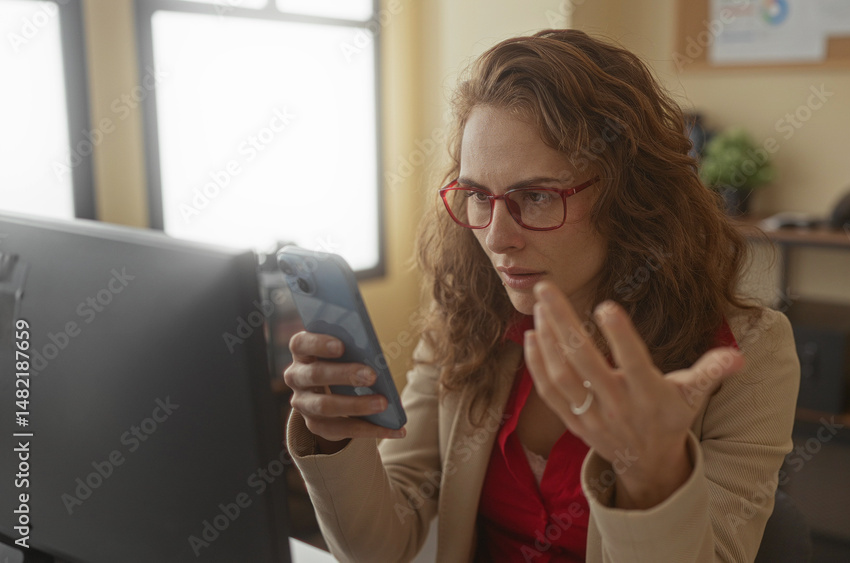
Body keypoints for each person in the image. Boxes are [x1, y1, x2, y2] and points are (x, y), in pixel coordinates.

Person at [283, 29, 799, 562]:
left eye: (536, 196)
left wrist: (653, 483)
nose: (496, 236)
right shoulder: (467, 317)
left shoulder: (748, 354)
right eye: (477, 196)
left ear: (632, 196)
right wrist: (337, 440)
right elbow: (380, 549)